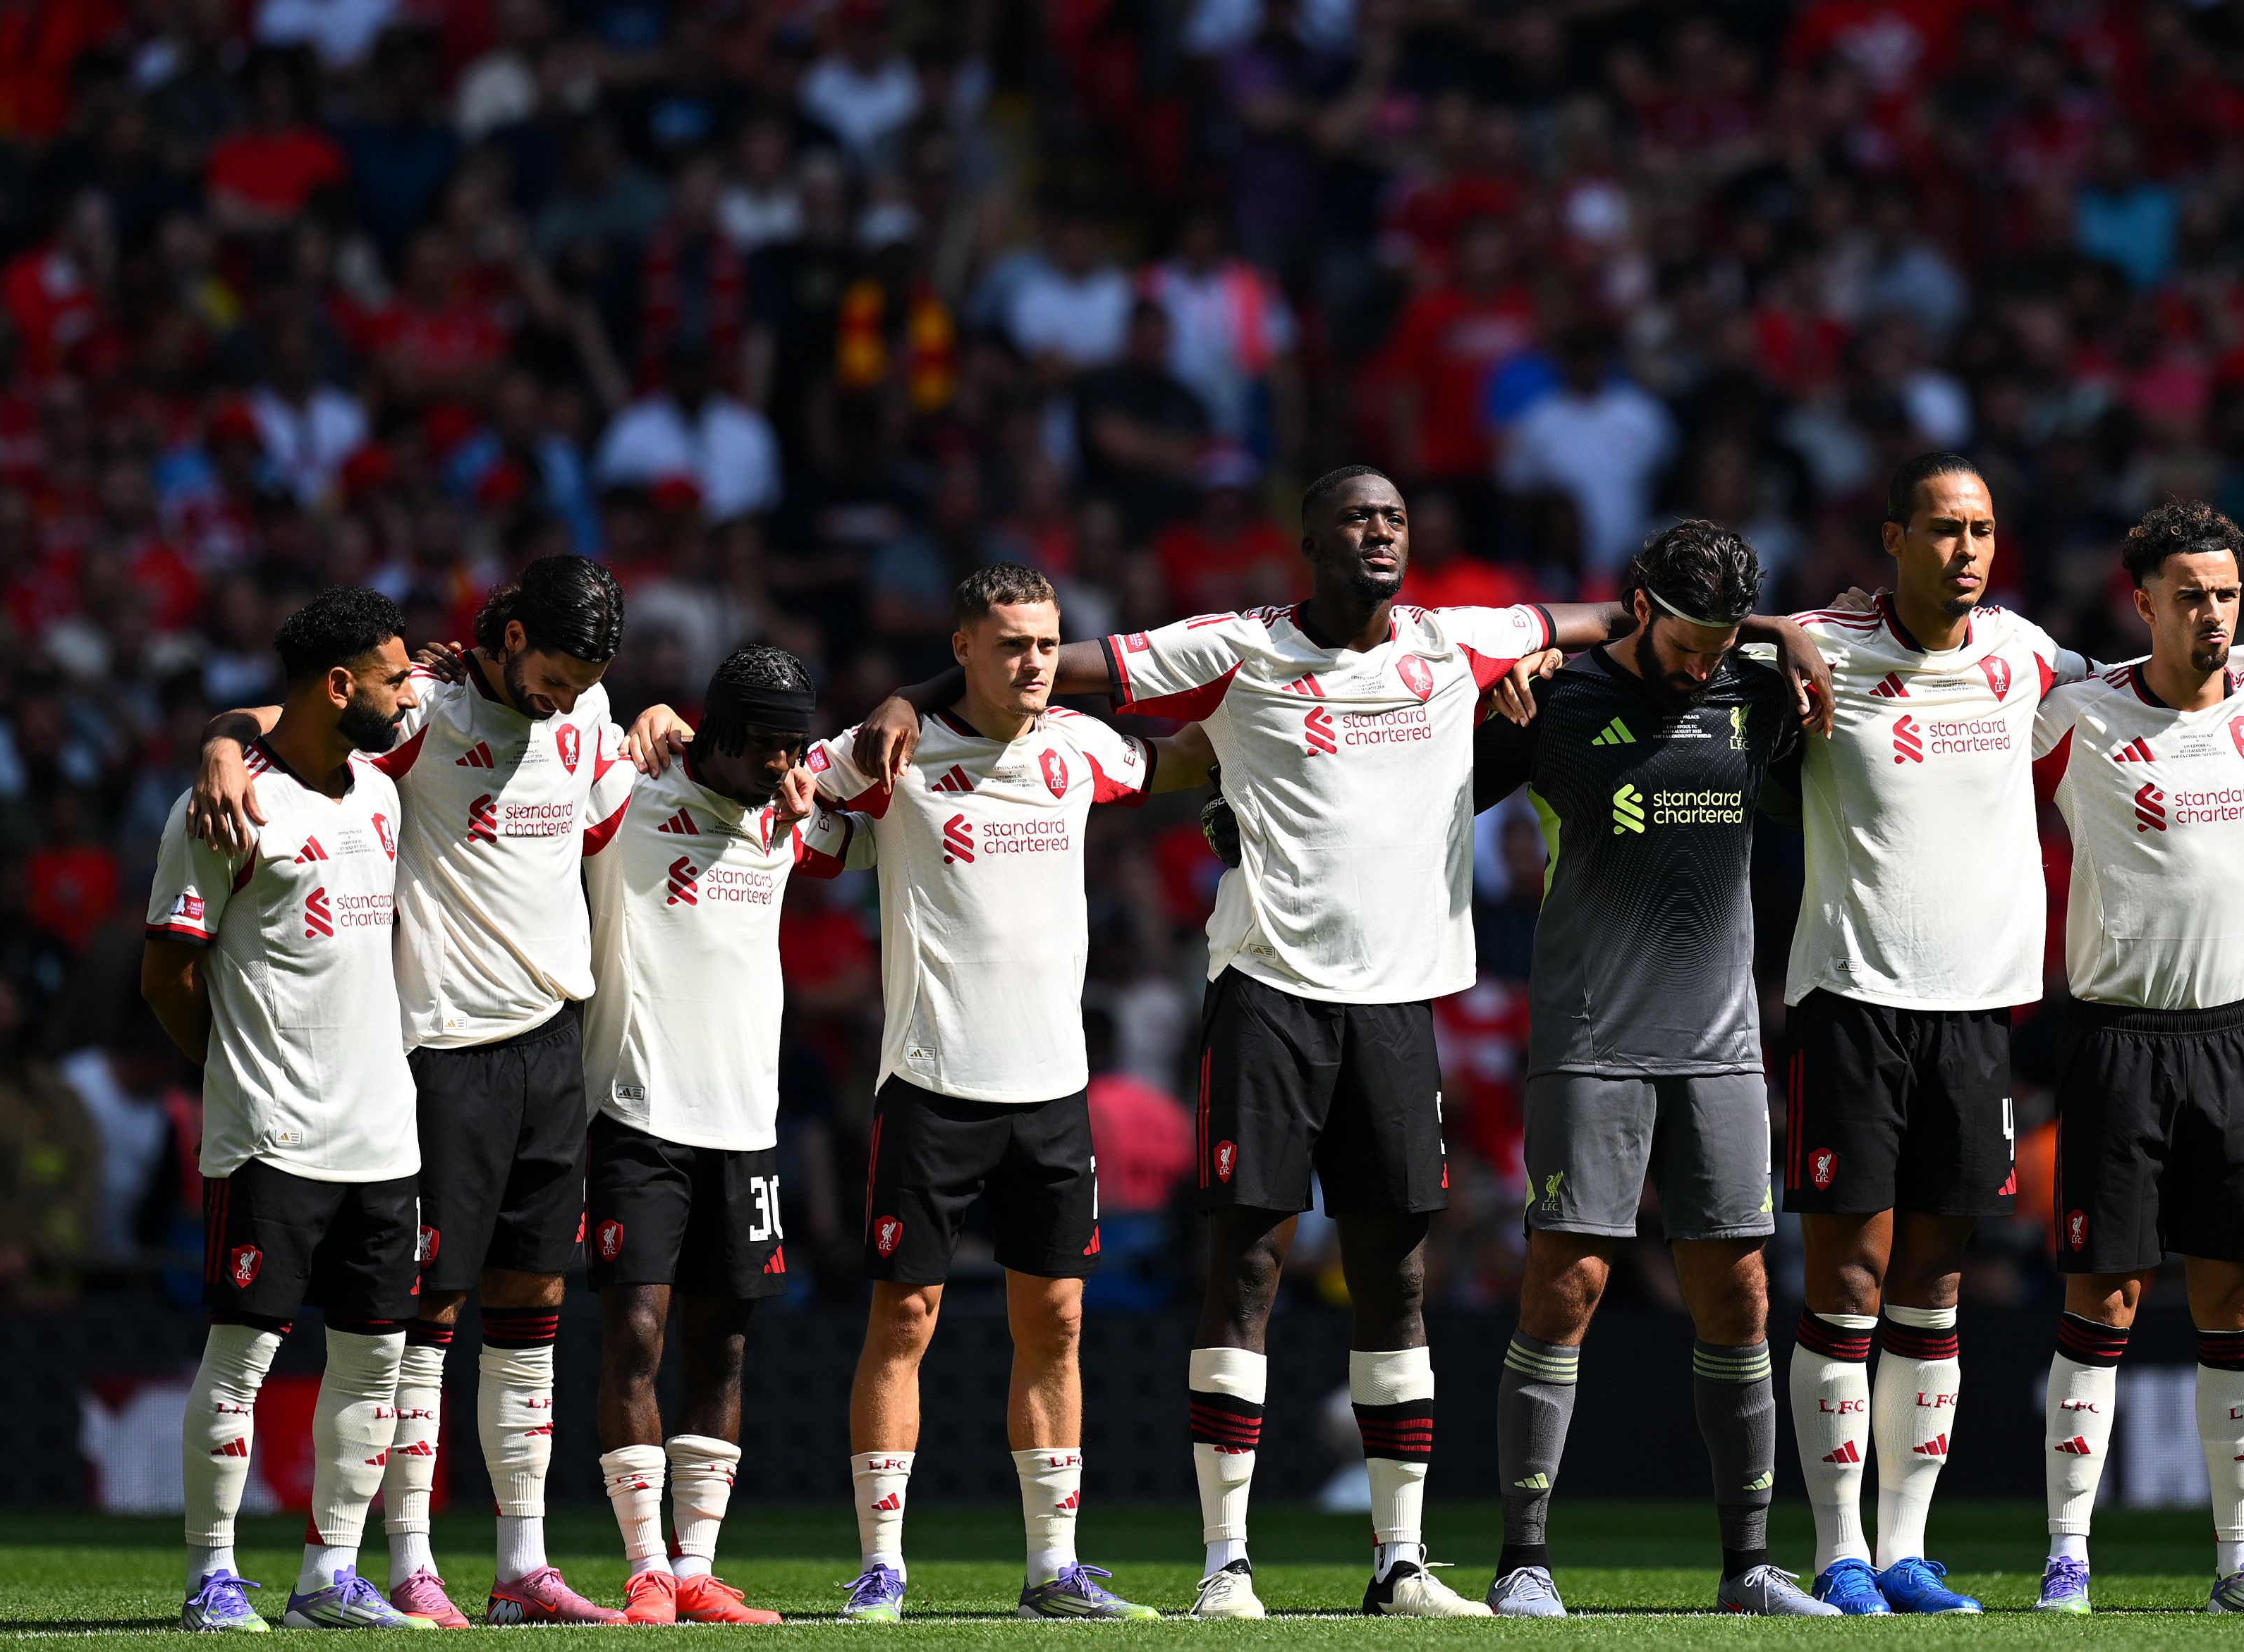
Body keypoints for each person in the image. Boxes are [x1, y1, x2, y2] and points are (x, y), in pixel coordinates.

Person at [848, 467, 1828, 1621]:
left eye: (1396, 518)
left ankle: (1400, 1564)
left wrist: (1777, 632)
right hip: (1265, 990)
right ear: (1309, 538)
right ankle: (1227, 1566)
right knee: (1249, 1268)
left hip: (1399, 1001)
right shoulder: (1234, 645)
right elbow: (1039, 663)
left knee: (1396, 1281)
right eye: (1357, 517)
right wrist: (913, 697)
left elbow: (1630, 615)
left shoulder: (1456, 641)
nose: (1379, 531)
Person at [1773, 453, 2244, 1615]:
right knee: (1849, 1277)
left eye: (1979, 529)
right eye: (1940, 529)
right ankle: (1836, 1552)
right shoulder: (1824, 649)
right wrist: (1776, 626)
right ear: (1892, 539)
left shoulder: (2033, 668)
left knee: (1934, 1283)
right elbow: (1686, 643)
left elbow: (2153, 676)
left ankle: (1906, 1552)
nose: (1965, 548)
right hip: (1854, 998)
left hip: (1981, 1010)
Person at [190, 556, 670, 1629]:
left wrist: (656, 715)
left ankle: (520, 1565)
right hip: (442, 1052)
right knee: (424, 1318)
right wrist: (223, 746)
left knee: (534, 1310)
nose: (562, 694)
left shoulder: (585, 716)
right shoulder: (420, 719)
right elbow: (291, 716)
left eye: (585, 676)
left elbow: (608, 806)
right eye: (552, 669)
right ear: (505, 639)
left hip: (554, 1045)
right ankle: (407, 1559)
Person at [807, 565, 1207, 1625]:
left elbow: (1185, 758)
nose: (1034, 662)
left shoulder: (1080, 746)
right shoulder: (893, 753)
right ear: (964, 650)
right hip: (933, 1082)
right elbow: (781, 786)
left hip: (1052, 1092)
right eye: (1011, 644)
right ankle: (883, 1568)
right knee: (905, 1321)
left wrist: (1272, 698)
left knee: (1058, 1324)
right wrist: (890, 704)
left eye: (1046, 644)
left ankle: (1052, 1570)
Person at [1463, 520, 1835, 1618]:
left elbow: (1872, 637)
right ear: (1636, 605)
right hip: (1589, 1039)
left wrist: (1777, 639)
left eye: (1730, 636)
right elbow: (1421, 798)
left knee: (1741, 1291)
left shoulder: (1759, 693)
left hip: (1721, 1048)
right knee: (1566, 1282)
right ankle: (1522, 1560)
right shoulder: (1552, 706)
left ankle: (1749, 1568)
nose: (1708, 658)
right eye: (1693, 634)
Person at [2020, 502, 2244, 1617]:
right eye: (2188, 594)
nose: (2211, 613)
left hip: (2234, 1041)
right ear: (2138, 599)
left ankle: (2238, 1561)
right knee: (2101, 1300)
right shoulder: (2075, 720)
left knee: (2235, 1304)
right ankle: (2067, 1556)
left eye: (2228, 596)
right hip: (2112, 1039)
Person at [148, 588, 425, 1631]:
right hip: (270, 1131)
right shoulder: (221, 808)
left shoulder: (380, 795)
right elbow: (165, 973)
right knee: (244, 1354)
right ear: (341, 685)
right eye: (395, 680)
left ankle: (329, 1577)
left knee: (374, 1358)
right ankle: (211, 1575)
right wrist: (234, 1068)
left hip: (383, 1134)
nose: (411, 698)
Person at [580, 644, 835, 1627]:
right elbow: (558, 734)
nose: (783, 768)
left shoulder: (786, 812)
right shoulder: (627, 792)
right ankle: (645, 1568)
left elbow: (880, 748)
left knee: (723, 1346)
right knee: (635, 1333)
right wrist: (645, 713)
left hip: (745, 1122)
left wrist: (801, 772)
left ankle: (696, 1568)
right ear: (714, 733)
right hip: (638, 1111)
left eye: (794, 751)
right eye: (765, 749)